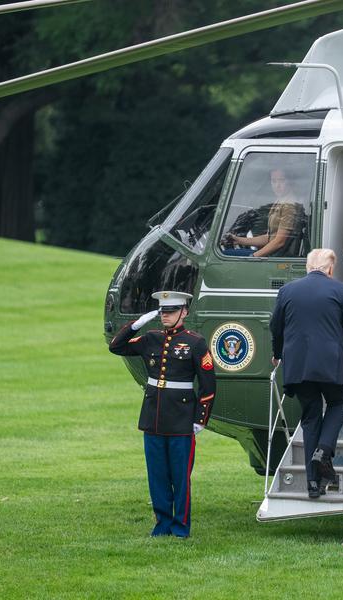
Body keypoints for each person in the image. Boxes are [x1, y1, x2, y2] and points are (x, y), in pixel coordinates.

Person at [270, 249, 343, 499]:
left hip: (299, 366)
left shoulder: (287, 291)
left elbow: (276, 327)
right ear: (330, 269)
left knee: (311, 418)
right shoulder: (340, 290)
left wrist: (277, 354)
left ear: (308, 267)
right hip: (331, 364)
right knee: (338, 403)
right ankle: (323, 450)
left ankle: (313, 484)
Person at [108, 291, 216, 538]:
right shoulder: (151, 339)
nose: (165, 316)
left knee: (180, 478)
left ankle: (180, 527)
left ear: (184, 312)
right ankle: (162, 525)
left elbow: (208, 385)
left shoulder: (195, 343)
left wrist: (200, 419)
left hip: (181, 419)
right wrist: (136, 325)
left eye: (171, 311)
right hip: (153, 417)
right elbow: (116, 346)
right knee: (157, 476)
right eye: (162, 312)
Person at [223, 168, 300, 257]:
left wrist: (254, 256)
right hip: (272, 255)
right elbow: (269, 238)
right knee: (228, 252)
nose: (277, 185)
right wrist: (238, 240)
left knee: (225, 255)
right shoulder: (280, 201)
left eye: (281, 181)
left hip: (276, 258)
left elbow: (279, 242)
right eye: (274, 181)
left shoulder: (289, 206)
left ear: (290, 182)